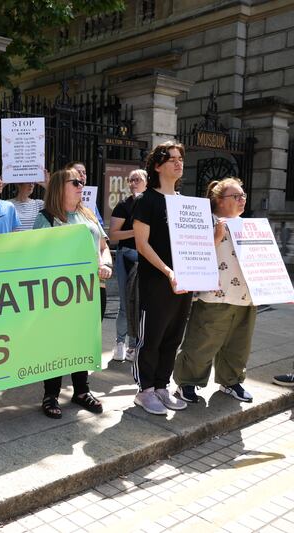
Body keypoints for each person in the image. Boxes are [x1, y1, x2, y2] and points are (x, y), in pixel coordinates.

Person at [33, 168, 110, 418]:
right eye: (75, 182)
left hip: (92, 289)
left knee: (83, 341)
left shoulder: (87, 214)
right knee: (56, 342)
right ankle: (51, 394)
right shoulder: (45, 217)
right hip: (61, 293)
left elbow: (103, 247)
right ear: (59, 187)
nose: (81, 185)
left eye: (82, 181)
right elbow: (38, 257)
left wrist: (105, 263)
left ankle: (81, 390)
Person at [173, 178, 256, 404]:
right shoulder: (205, 222)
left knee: (239, 344)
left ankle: (231, 381)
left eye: (243, 196)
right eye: (235, 196)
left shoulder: (249, 225)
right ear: (219, 200)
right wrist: (216, 237)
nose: (242, 200)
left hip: (247, 296)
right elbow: (191, 254)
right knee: (202, 341)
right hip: (214, 294)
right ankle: (187, 383)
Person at [131, 141, 191, 416]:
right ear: (157, 166)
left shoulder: (185, 202)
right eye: (171, 159)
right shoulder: (147, 200)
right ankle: (144, 391)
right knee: (151, 336)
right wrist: (168, 271)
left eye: (180, 158)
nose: (178, 163)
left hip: (184, 281)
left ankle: (161, 386)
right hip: (156, 281)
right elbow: (142, 244)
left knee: (173, 336)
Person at [108, 169, 148, 362]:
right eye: (131, 180)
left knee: (141, 306)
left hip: (147, 259)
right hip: (128, 257)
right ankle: (120, 344)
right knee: (125, 305)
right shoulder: (124, 206)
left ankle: (134, 347)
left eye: (137, 179)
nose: (133, 183)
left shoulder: (152, 204)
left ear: (147, 182)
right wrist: (137, 231)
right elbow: (114, 235)